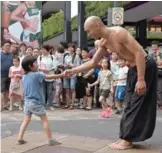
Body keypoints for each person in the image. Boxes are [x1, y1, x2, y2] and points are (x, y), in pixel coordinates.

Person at [64, 16, 157, 150]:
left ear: (97, 25)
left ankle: (127, 139)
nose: (89, 34)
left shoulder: (119, 33)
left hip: (145, 67)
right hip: (132, 69)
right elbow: (93, 62)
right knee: (129, 104)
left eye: (89, 31)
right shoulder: (104, 42)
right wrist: (74, 70)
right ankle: (125, 136)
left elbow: (139, 53)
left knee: (137, 103)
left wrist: (141, 79)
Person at [17, 55, 63, 145]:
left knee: (26, 120)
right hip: (36, 102)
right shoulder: (37, 74)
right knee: (44, 120)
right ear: (30, 66)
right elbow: (49, 77)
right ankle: (50, 140)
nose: (37, 64)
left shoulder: (24, 76)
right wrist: (62, 74)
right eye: (35, 63)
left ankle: (20, 138)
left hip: (27, 102)